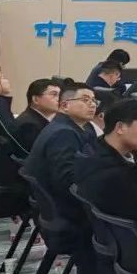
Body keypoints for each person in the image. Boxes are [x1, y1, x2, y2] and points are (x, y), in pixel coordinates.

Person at [23, 82, 98, 217]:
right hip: (64, 211)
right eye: (85, 100)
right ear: (64, 105)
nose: (92, 104)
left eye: (94, 100)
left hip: (54, 207)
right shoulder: (64, 133)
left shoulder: (63, 126)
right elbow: (66, 181)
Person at [12, 78, 59, 154]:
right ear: (35, 99)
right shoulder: (29, 125)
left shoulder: (36, 120)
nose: (59, 99)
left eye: (60, 95)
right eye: (54, 94)